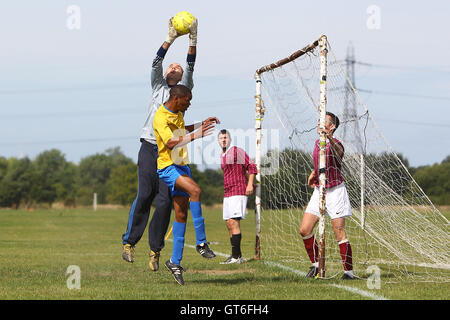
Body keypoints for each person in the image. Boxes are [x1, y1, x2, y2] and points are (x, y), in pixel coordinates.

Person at [121, 17, 202, 272]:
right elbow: (157, 61)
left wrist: (192, 39)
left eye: (177, 67)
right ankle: (129, 243)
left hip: (172, 150)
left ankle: (155, 251)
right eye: (171, 66)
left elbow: (191, 64)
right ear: (166, 73)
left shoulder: (183, 89)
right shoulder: (157, 86)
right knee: (145, 194)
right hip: (149, 145)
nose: (174, 66)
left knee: (165, 202)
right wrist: (171, 38)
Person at [153, 84, 220, 285]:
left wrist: (201, 125)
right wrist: (195, 136)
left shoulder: (177, 112)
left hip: (182, 167)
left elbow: (182, 130)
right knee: (195, 190)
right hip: (168, 167)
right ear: (177, 98)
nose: (189, 103)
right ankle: (201, 243)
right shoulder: (161, 117)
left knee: (181, 214)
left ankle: (174, 262)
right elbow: (170, 143)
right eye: (187, 100)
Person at [299, 112, 354, 280]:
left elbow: (338, 154)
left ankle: (348, 272)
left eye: (324, 122)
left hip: (335, 191)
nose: (319, 123)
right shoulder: (317, 143)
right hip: (319, 190)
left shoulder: (336, 143)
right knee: (305, 230)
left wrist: (329, 138)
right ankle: (316, 264)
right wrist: (314, 172)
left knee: (339, 232)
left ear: (331, 127)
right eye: (319, 121)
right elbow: (322, 163)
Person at [217, 129, 257, 264]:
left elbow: (251, 166)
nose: (223, 140)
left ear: (230, 139)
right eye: (221, 138)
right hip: (227, 192)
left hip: (238, 190)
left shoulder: (236, 151)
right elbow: (242, 170)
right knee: (229, 223)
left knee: (234, 222)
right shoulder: (222, 155)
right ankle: (236, 255)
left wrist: (250, 184)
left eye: (225, 137)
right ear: (218, 141)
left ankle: (236, 258)